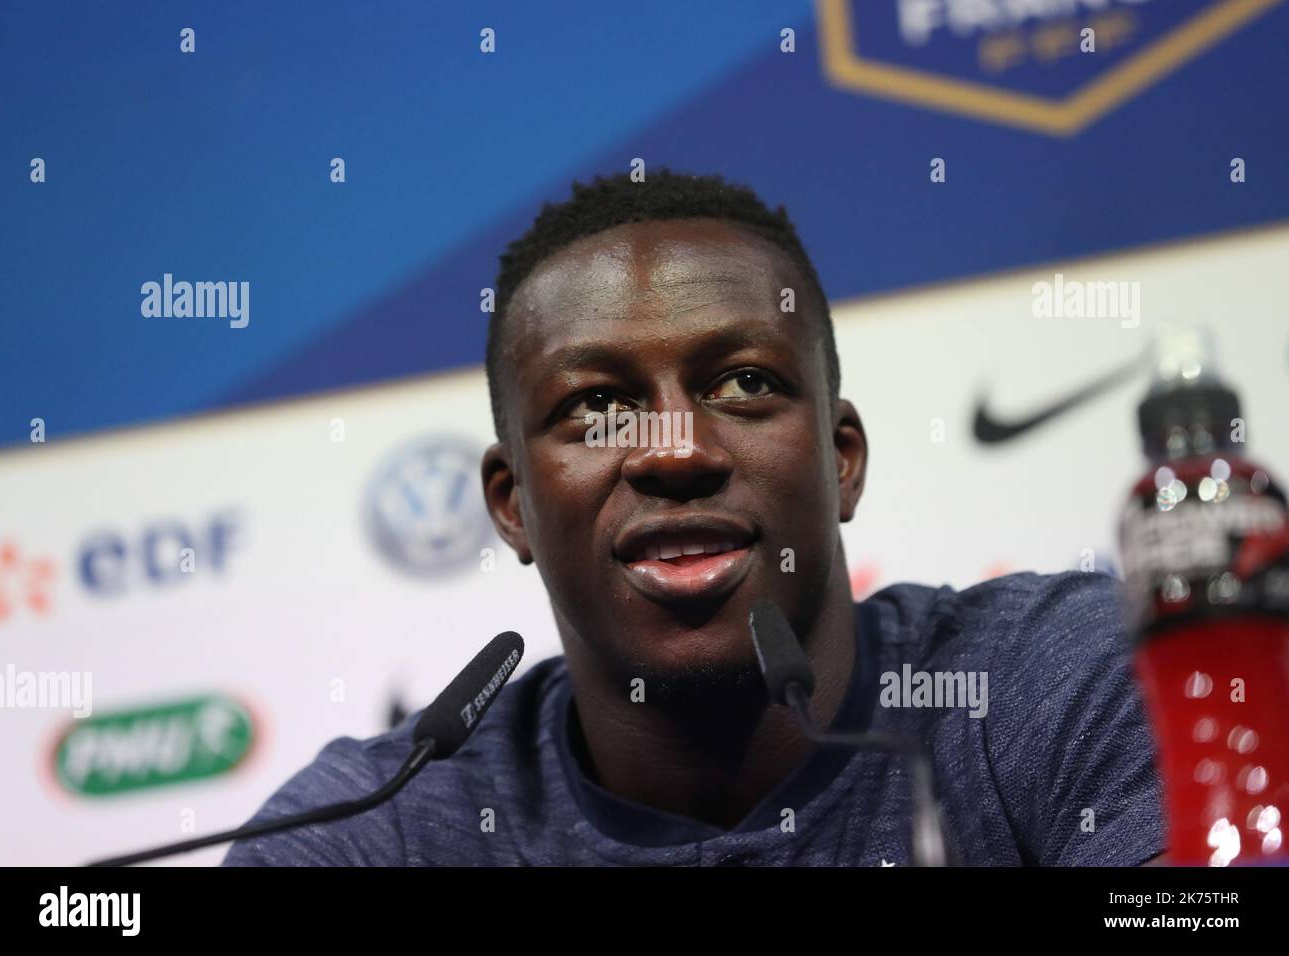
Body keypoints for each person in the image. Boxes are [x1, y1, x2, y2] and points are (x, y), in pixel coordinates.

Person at [224, 170, 1164, 866]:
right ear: (512, 507)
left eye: (745, 383)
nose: (676, 452)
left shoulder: (1059, 685)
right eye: (596, 407)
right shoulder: (377, 831)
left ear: (842, 461)